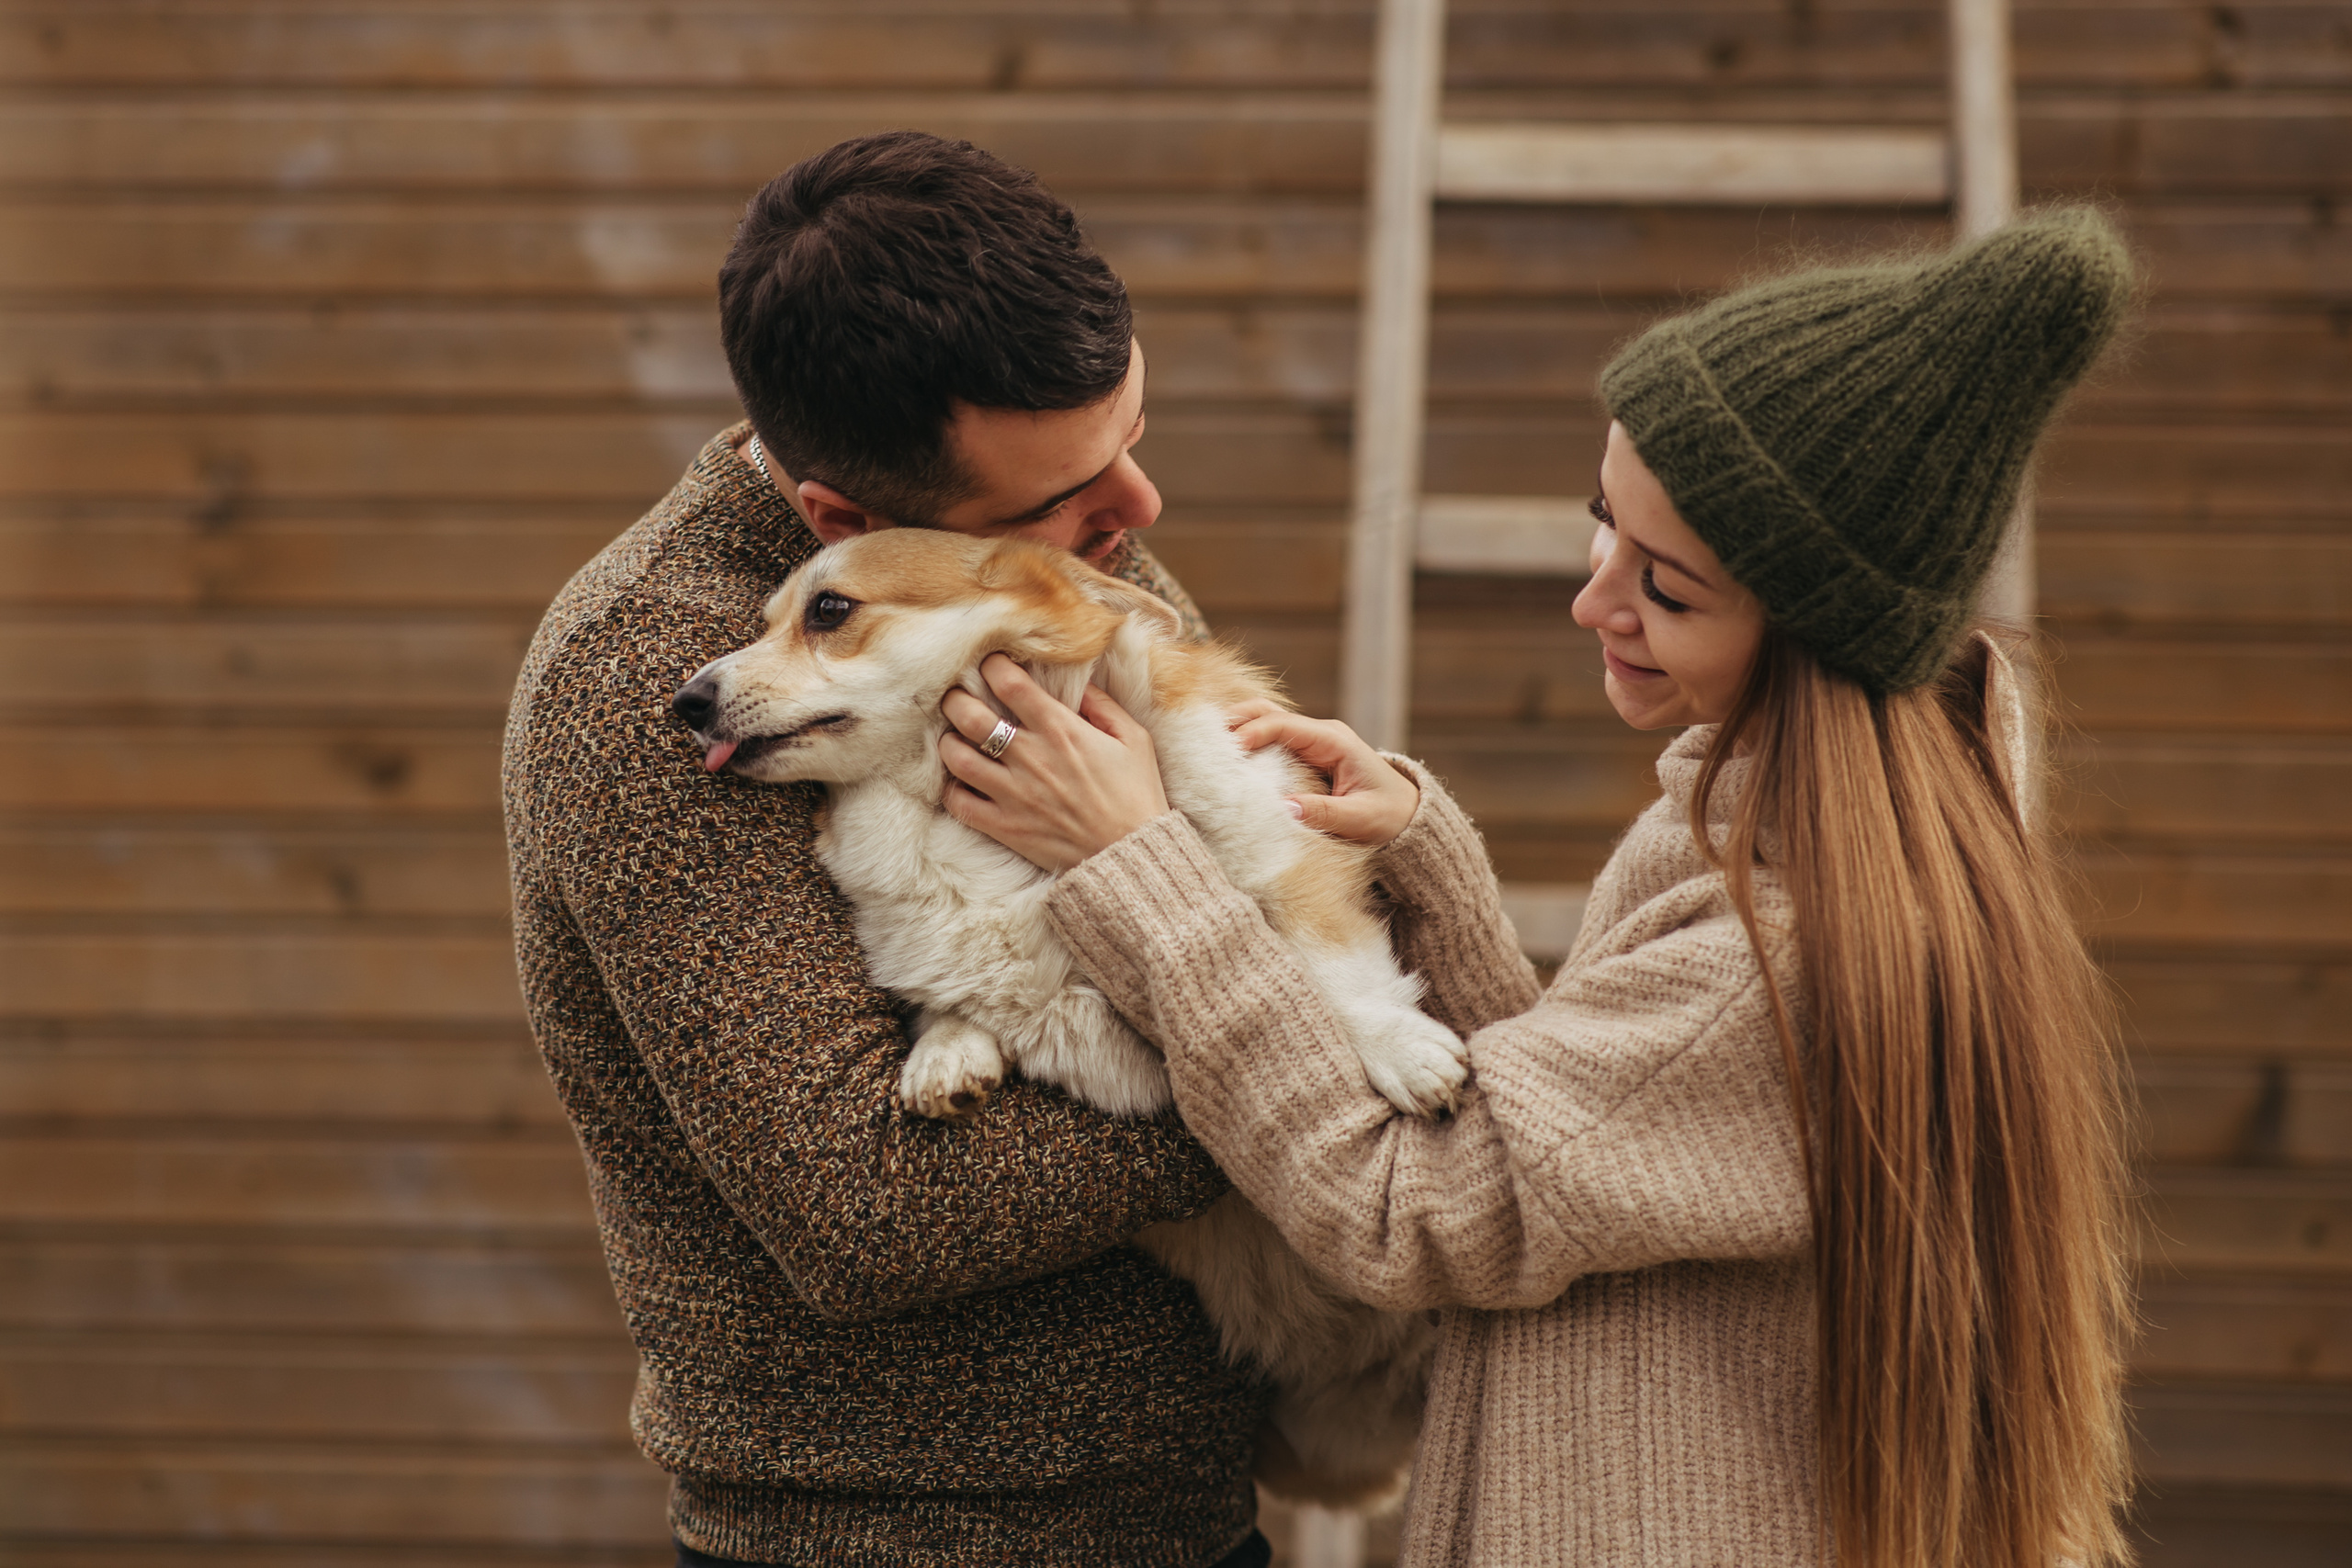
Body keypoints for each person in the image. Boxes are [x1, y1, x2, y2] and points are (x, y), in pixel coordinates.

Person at [936, 209, 2141, 1567]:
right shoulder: (1765, 831)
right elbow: (1567, 1160)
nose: (1595, 603)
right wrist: (1424, 867)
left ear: (1816, 640)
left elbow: (1414, 1208)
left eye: (1667, 590)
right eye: (1600, 527)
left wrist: (1142, 872)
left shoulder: (1775, 951)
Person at [503, 131, 1279, 1568]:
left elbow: (1272, 872)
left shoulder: (1058, 557)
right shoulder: (657, 690)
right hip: (888, 1541)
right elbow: (876, 1208)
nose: (1141, 516)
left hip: (1191, 1516)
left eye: (1135, 438)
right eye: (1065, 499)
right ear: (847, 525)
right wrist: (1292, 1071)